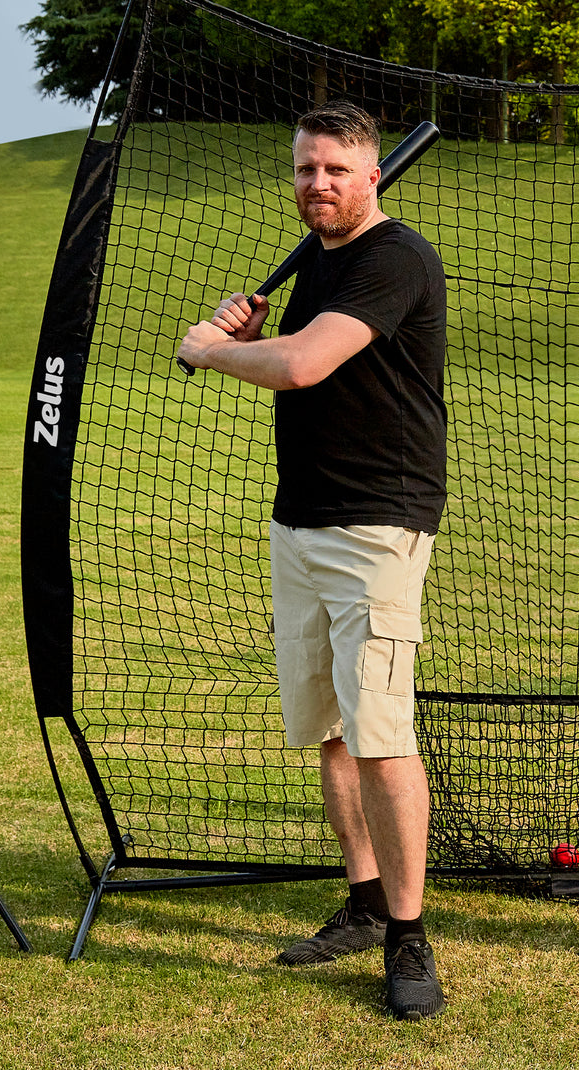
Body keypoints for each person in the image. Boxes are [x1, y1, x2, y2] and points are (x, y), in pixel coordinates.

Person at [177, 100, 448, 1021]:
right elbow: (289, 356)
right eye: (304, 169)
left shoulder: (395, 259)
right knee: (331, 729)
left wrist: (215, 353)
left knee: (381, 736)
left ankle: (410, 940)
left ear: (373, 173)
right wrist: (252, 341)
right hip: (300, 523)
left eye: (336, 169)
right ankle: (366, 903)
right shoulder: (325, 262)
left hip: (378, 523)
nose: (318, 183)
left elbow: (305, 368)